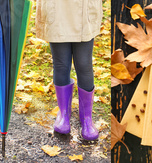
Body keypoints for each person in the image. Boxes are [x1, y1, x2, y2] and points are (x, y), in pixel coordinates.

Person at [33, 0, 102, 140]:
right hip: (57, 8)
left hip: (84, 9)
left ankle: (86, 118)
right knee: (61, 64)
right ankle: (64, 113)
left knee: (84, 64)